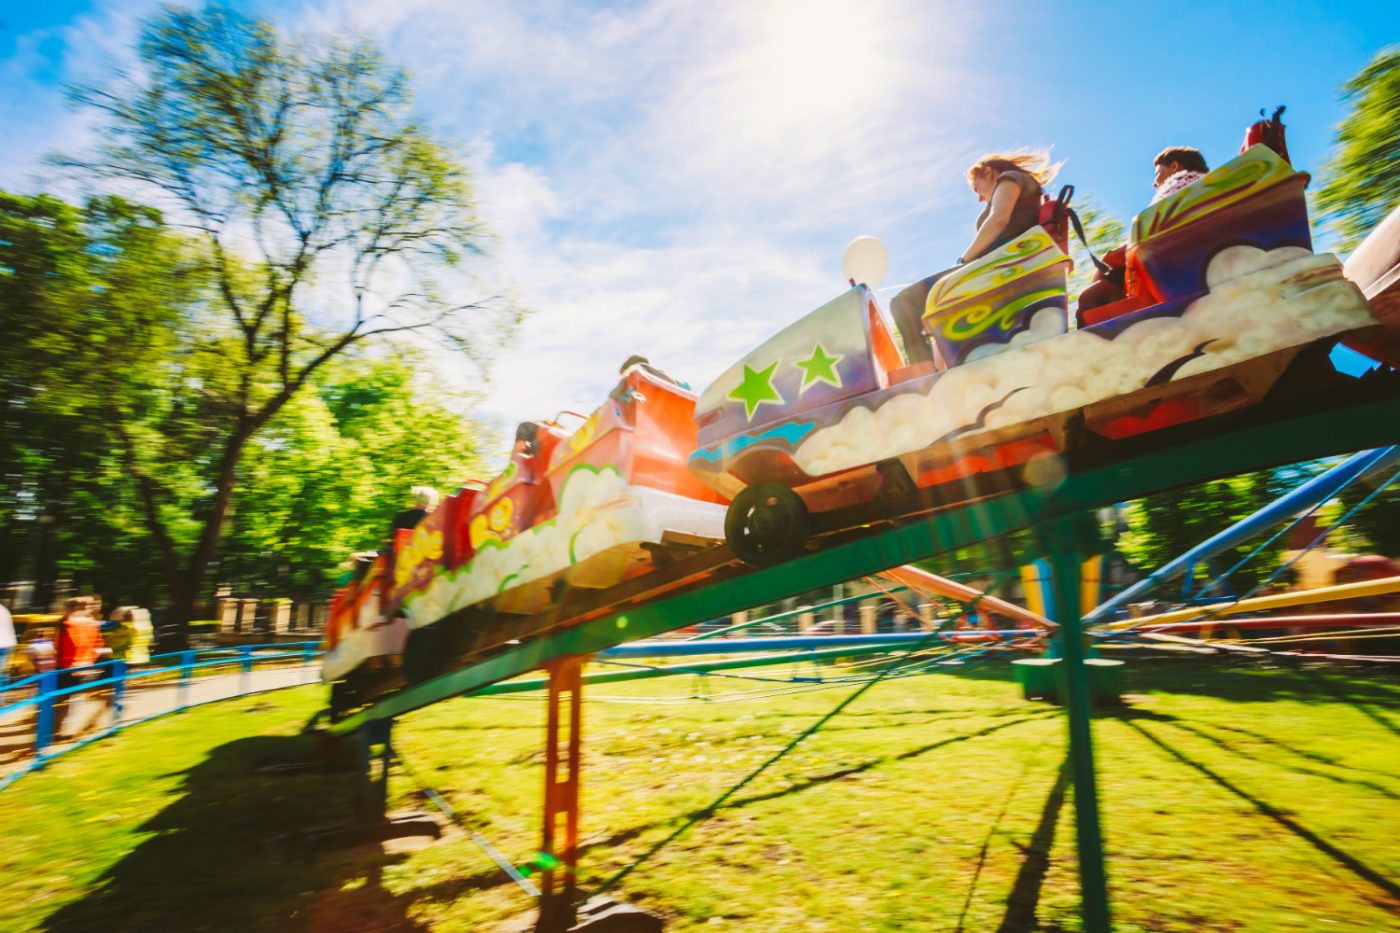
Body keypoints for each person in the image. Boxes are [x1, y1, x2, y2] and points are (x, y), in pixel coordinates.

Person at [891, 152, 1059, 366]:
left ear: (988, 172)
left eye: (976, 188)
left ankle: (922, 377)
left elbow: (998, 219)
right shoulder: (1023, 188)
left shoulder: (1008, 178)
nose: (979, 197)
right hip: (999, 267)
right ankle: (936, 368)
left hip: (996, 268)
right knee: (928, 312)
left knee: (904, 302)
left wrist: (963, 262)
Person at [1077, 147, 1210, 319]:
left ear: (1174, 166)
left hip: (1167, 264)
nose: (1154, 183)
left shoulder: (1178, 188)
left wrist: (1113, 257)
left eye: (1156, 174)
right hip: (1184, 261)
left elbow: (1152, 234)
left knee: (1089, 297)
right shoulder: (1206, 188)